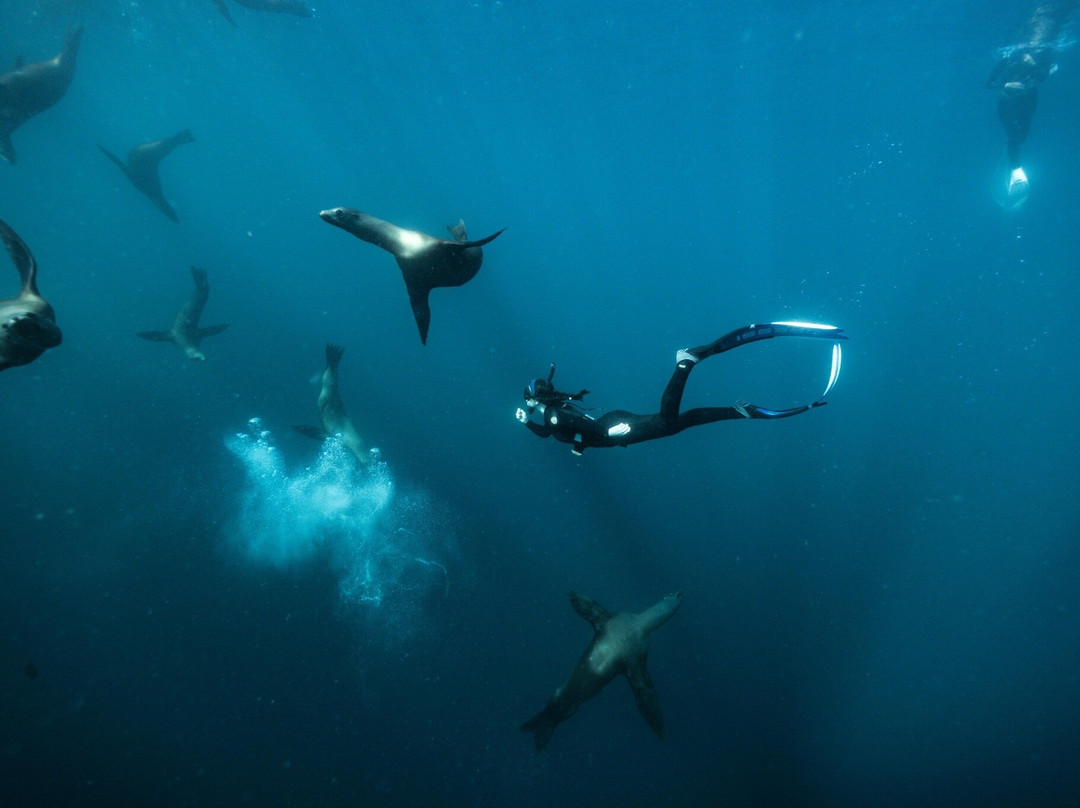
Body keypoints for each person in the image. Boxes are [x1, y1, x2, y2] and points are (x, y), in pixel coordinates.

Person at [515, 322, 846, 456]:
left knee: (668, 422)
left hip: (614, 429)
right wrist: (534, 425)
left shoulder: (555, 417)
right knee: (679, 422)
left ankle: (685, 363)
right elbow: (560, 432)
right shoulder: (554, 414)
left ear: (533, 400)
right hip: (615, 427)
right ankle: (739, 411)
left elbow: (577, 429)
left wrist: (577, 444)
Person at [986, 2, 1077, 206]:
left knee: (1023, 133)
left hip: (1029, 100)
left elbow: (1042, 76)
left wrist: (1036, 65)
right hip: (1007, 103)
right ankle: (1015, 168)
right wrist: (1007, 84)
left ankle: (1013, 160)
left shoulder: (1042, 54)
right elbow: (990, 83)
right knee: (1015, 136)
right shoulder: (1009, 58)